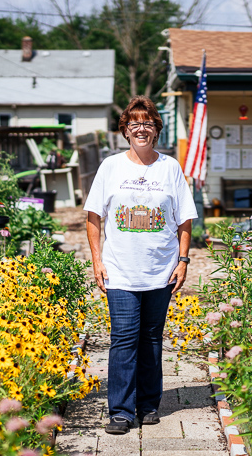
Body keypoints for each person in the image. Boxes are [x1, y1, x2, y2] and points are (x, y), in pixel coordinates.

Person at [84, 96, 198, 435]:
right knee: (123, 338)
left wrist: (183, 260)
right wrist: (96, 260)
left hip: (160, 269)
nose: (141, 128)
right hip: (120, 269)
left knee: (151, 337)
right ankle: (120, 410)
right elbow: (93, 217)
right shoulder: (111, 167)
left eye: (147, 122)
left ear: (156, 129)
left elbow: (184, 220)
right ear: (125, 129)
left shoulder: (170, 168)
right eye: (134, 123)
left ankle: (148, 403)